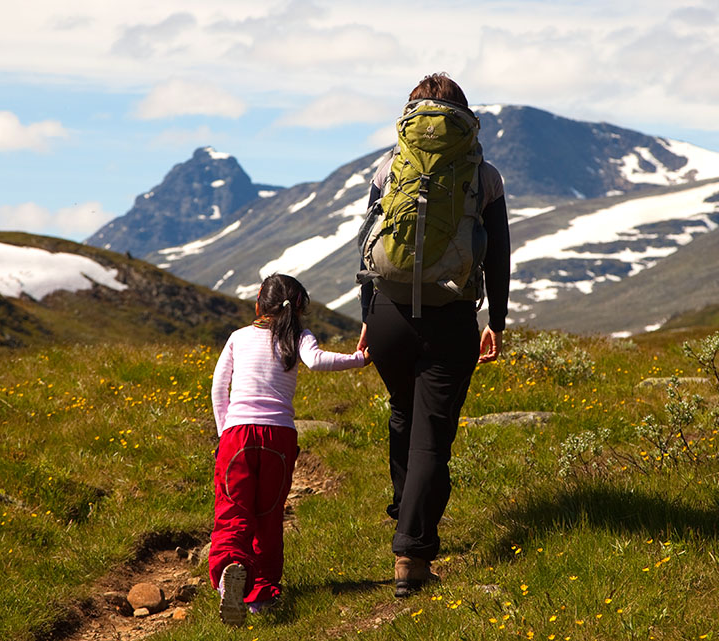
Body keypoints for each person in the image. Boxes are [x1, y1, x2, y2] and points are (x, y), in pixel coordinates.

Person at [356, 72, 511, 597]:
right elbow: (499, 255)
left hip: (388, 315)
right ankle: (412, 552)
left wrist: (366, 315)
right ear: (463, 118)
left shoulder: (389, 166)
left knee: (403, 413)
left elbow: (367, 244)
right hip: (451, 318)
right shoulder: (483, 174)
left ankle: (407, 510)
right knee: (433, 437)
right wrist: (497, 321)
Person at [209, 273, 368, 625]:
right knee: (268, 515)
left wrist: (225, 436)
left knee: (233, 509)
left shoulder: (238, 337)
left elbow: (219, 390)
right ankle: (261, 595)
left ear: (258, 306)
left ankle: (229, 572)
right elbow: (318, 361)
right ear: (299, 310)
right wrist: (359, 358)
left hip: (238, 435)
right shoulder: (298, 337)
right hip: (280, 437)